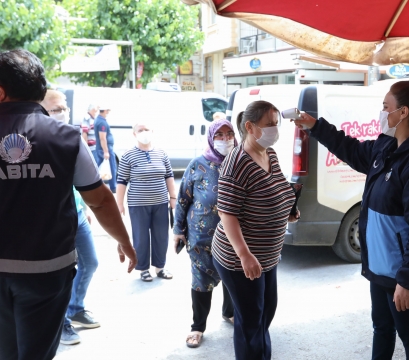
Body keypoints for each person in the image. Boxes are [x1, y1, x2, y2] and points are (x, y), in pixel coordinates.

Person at [0, 49, 137, 360]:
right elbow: (101, 200)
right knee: (37, 351)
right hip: (47, 267)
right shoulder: (65, 137)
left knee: (7, 345)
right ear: (40, 89)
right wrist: (124, 241)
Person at [293, 79, 409, 360]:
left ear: (402, 112)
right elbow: (351, 149)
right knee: (382, 329)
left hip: (403, 273)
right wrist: (314, 126)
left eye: (385, 107)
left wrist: (408, 280)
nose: (381, 113)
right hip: (380, 267)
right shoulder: (386, 147)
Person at [212, 100, 299, 360]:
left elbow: (279, 188)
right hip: (240, 259)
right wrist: (244, 254)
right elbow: (227, 214)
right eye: (269, 124)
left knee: (264, 314)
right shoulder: (236, 163)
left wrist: (289, 210)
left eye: (276, 123)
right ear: (250, 127)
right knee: (252, 322)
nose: (275, 129)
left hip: (267, 256)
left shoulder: (268, 153)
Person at [41, 90, 101, 346]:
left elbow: (87, 184)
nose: (61, 113)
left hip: (76, 212)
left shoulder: (70, 139)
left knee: (90, 262)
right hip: (53, 221)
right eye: (55, 109)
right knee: (61, 273)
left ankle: (75, 307)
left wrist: (85, 206)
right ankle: (61, 321)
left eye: (63, 108)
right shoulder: (36, 143)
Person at [174, 119, 237, 348]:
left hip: (234, 238)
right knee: (201, 281)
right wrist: (178, 231)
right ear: (211, 138)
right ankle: (197, 327)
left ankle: (229, 313)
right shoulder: (197, 164)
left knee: (233, 277)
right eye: (219, 135)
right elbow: (182, 200)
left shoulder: (241, 163)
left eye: (229, 134)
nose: (225, 139)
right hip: (201, 237)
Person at [116, 122, 177, 282]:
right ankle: (143, 268)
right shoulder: (128, 155)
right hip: (138, 204)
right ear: (134, 134)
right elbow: (121, 180)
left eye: (147, 129)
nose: (144, 132)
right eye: (140, 130)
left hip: (161, 203)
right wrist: (119, 203)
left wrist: (173, 198)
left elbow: (169, 177)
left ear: (152, 131)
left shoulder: (161, 153)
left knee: (161, 236)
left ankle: (160, 267)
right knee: (141, 238)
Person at [94, 105, 117, 192]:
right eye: (107, 110)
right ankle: (113, 188)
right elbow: (102, 138)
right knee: (112, 168)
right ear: (104, 111)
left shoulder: (99, 120)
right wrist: (106, 151)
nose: (108, 112)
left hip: (102, 148)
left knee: (98, 168)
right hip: (105, 148)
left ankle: (94, 183)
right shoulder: (102, 122)